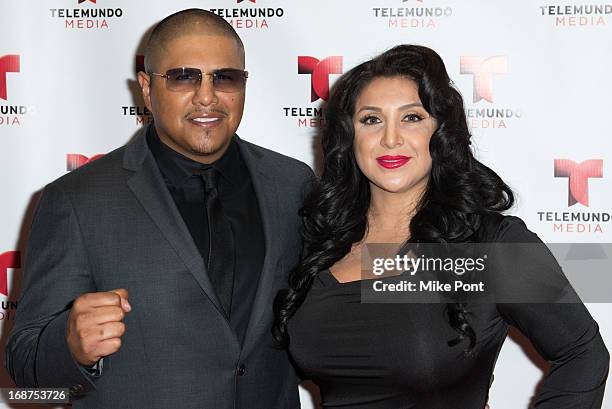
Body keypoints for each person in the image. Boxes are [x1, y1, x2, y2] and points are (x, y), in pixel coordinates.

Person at [273, 45, 609, 408]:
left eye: (412, 118)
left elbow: (582, 353)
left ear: (441, 131)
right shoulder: (318, 243)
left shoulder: (490, 245)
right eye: (371, 120)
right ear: (349, 137)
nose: (390, 138)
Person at [6, 9, 311, 409]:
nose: (207, 96)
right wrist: (70, 346)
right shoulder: (76, 200)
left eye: (225, 77)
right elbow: (25, 367)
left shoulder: (293, 185)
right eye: (184, 76)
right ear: (148, 90)